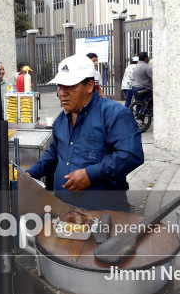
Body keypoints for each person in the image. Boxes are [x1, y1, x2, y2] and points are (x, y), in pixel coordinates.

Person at [26, 54, 143, 211]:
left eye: (70, 86)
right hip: (65, 210)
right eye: (60, 87)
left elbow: (130, 155)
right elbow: (53, 154)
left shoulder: (114, 114)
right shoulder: (61, 119)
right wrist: (30, 174)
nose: (62, 93)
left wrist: (91, 174)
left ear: (89, 86)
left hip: (103, 212)